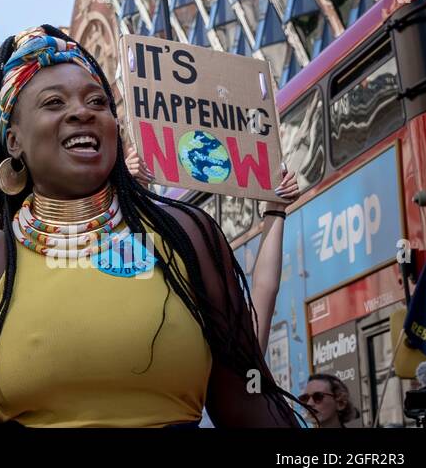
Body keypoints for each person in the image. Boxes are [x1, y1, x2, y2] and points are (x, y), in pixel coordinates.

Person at [0, 26, 303, 427]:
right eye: (53, 102)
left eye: (97, 102)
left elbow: (251, 396)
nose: (82, 111)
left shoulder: (186, 237)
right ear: (13, 140)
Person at [126, 146, 301, 351]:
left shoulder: (231, 349)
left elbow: (265, 289)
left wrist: (276, 209)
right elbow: (264, 289)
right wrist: (134, 192)